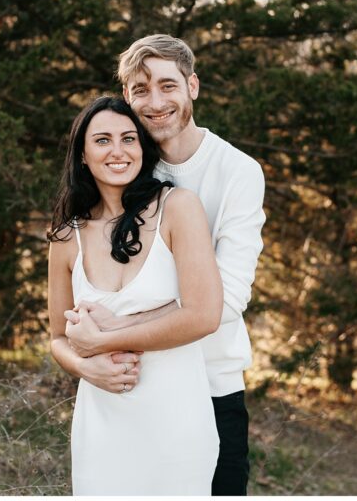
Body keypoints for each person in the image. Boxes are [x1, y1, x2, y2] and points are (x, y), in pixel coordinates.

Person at [65, 33, 266, 496]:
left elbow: (227, 298)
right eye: (140, 90)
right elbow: (88, 277)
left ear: (192, 86)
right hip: (128, 383)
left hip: (211, 383)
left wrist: (110, 333)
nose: (155, 102)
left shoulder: (236, 171)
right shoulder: (126, 165)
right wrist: (86, 354)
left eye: (168, 86)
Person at [47, 96, 223, 495]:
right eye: (103, 140)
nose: (118, 151)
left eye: (129, 138)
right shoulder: (65, 235)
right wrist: (85, 366)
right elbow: (58, 337)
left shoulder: (178, 208)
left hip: (176, 424)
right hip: (101, 427)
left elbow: (204, 315)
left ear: (143, 148)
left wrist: (105, 339)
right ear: (83, 156)